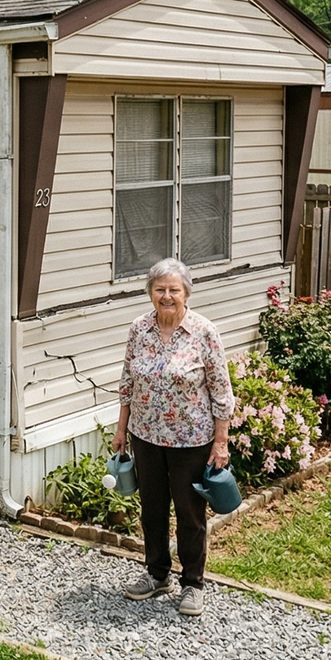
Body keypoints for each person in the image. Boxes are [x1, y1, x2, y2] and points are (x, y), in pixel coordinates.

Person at [109, 257, 234, 617]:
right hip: (146, 435)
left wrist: (220, 440)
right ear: (150, 293)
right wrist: (121, 428)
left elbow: (221, 390)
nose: (166, 296)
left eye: (173, 290)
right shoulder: (139, 329)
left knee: (189, 513)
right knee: (151, 509)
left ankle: (193, 583)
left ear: (186, 293)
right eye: (159, 289)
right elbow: (127, 383)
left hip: (191, 440)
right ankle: (156, 573)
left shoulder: (203, 332)